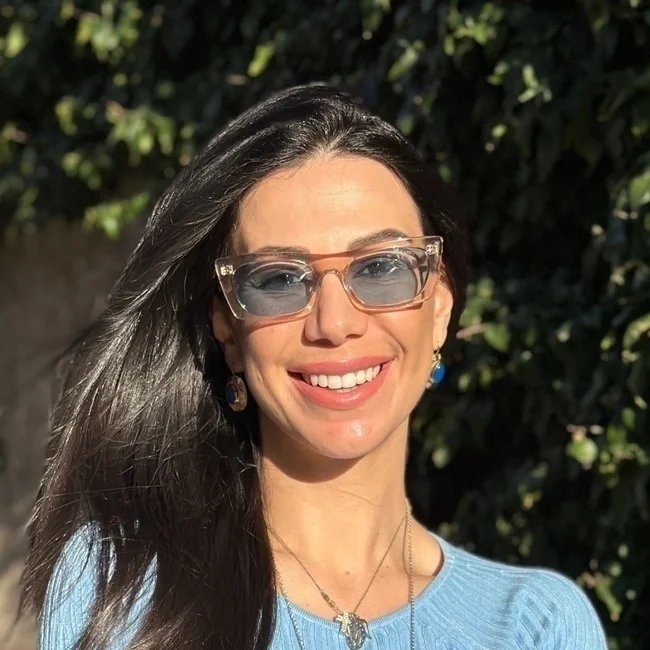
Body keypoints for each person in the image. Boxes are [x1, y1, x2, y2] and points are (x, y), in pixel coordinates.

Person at [19, 85, 606, 650]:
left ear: (439, 309)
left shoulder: (534, 626)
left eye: (381, 268)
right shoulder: (120, 589)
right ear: (227, 330)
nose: (334, 322)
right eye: (279, 279)